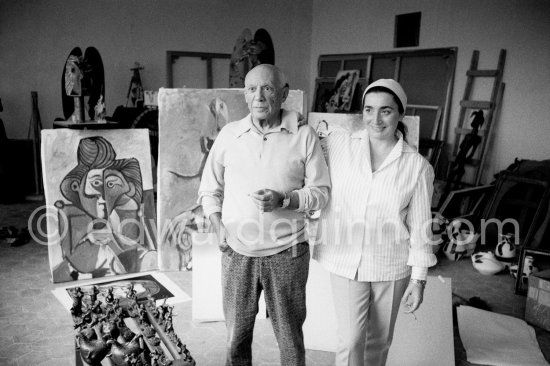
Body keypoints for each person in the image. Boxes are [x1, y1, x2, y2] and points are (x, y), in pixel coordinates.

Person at [198, 64, 331, 365]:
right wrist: (217, 225)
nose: (258, 96)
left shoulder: (304, 135)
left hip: (289, 252)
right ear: (245, 95)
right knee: (236, 338)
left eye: (268, 88)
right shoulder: (230, 135)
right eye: (251, 89)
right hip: (237, 253)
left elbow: (321, 191)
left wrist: (285, 199)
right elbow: (209, 189)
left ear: (283, 94)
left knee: (289, 339)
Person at [313, 79, 437, 366]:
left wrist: (418, 281)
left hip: (391, 264)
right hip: (344, 258)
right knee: (351, 340)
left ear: (400, 114)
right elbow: (302, 154)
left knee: (379, 342)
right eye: (369, 110)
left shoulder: (417, 166)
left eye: (385, 111)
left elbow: (421, 228)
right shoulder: (339, 142)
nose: (375, 119)